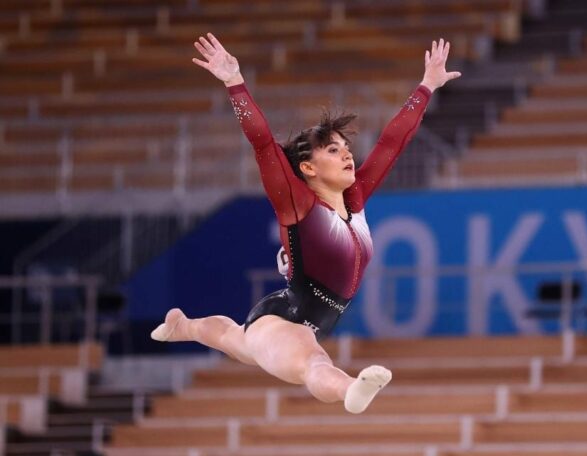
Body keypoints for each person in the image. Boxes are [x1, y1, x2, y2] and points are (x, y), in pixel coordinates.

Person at [151, 33, 461, 413]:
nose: (348, 155)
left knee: (235, 337)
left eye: (346, 148)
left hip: (295, 318)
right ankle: (351, 389)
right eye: (333, 150)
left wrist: (427, 86)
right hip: (282, 321)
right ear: (308, 168)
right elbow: (263, 144)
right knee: (311, 362)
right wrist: (235, 82)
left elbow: (391, 143)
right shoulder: (297, 204)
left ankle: (183, 326)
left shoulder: (356, 198)